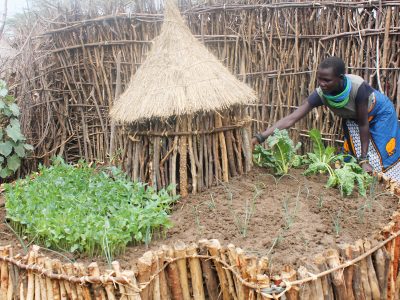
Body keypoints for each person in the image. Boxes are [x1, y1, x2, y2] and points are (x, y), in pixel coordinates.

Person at [252, 56, 400, 182]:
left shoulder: (357, 88)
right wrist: (261, 137)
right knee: (356, 158)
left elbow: (363, 124)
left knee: (383, 156)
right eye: (319, 79)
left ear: (340, 78)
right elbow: (291, 118)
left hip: (380, 114)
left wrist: (364, 159)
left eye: (327, 80)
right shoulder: (321, 94)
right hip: (354, 119)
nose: (322, 84)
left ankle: (389, 187)